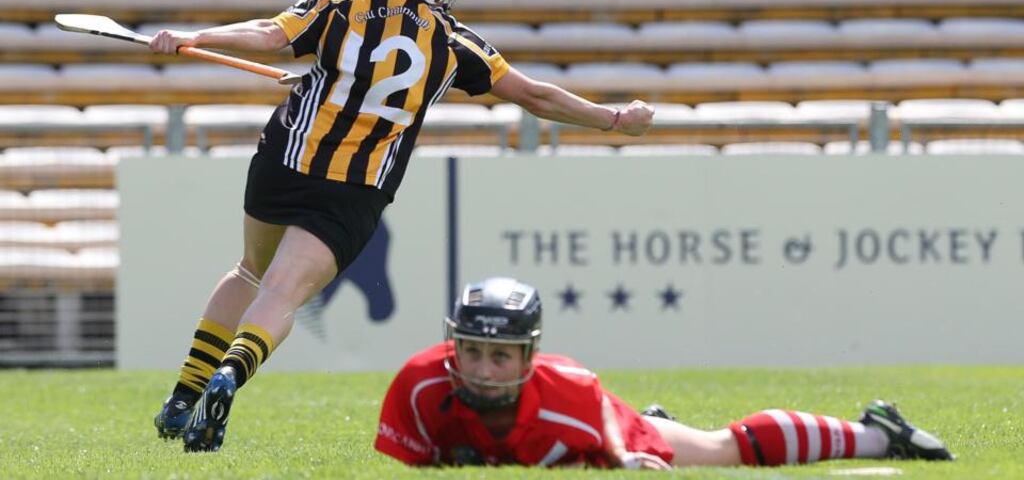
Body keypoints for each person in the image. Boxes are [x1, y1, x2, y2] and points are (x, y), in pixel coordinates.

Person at [148, 0, 654, 452]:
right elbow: (536, 96)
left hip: (286, 161)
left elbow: (270, 35)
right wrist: (615, 118)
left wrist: (197, 36)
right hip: (355, 188)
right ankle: (230, 372)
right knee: (281, 293)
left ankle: (185, 394)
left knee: (250, 270)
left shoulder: (339, 4)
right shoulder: (455, 41)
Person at [375, 277, 954, 469]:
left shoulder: (570, 399)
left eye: (500, 356)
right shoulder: (420, 383)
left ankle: (878, 434)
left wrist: (623, 453)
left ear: (530, 357)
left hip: (608, 435)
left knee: (723, 449)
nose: (482, 369)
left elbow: (592, 401)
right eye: (473, 350)